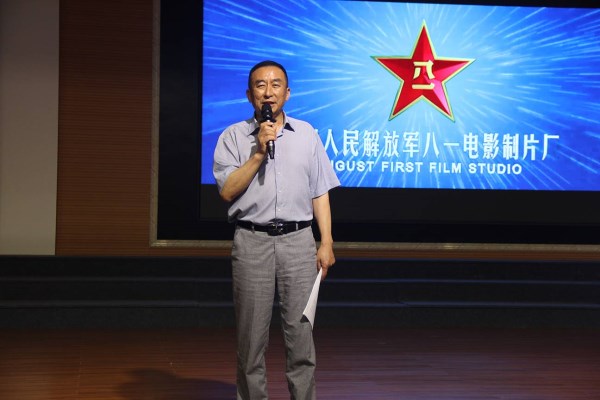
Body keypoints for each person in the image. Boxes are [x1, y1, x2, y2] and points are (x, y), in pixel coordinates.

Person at [213, 60, 340, 400]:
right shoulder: (233, 136)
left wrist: (326, 242)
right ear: (249, 94)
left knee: (301, 336)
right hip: (251, 240)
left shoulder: (307, 134)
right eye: (260, 85)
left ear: (287, 92)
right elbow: (227, 191)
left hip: (299, 242)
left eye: (275, 84)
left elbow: (320, 192)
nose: (268, 92)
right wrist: (258, 153)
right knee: (251, 338)